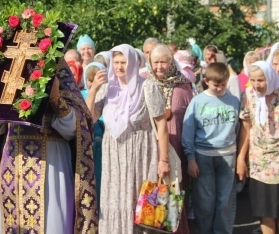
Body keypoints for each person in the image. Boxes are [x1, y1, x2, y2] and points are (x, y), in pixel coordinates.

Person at [0, 59, 99, 234]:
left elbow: (76, 129)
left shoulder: (57, 66)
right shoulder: (6, 63)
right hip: (12, 162)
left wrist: (55, 98)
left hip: (52, 164)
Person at [86, 44, 169, 233]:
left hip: (141, 155)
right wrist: (93, 90)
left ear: (133, 62)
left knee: (141, 205)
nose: (119, 67)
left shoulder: (148, 87)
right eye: (116, 62)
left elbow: (162, 124)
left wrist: (163, 160)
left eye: (124, 62)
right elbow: (90, 117)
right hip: (113, 156)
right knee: (115, 201)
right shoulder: (107, 88)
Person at [182, 62, 240, 234]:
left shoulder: (234, 101)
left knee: (225, 201)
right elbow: (188, 131)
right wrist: (190, 158)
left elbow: (237, 128)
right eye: (216, 85)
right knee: (205, 201)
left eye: (223, 84)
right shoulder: (198, 102)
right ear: (207, 81)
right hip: (203, 155)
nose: (220, 88)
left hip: (228, 153)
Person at [148, 44, 193, 234]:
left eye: (163, 62)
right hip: (151, 150)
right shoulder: (146, 85)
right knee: (154, 201)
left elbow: (192, 122)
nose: (159, 66)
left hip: (176, 151)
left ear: (171, 63)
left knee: (174, 200)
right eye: (155, 62)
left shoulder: (183, 87)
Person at [237, 61, 279, 234]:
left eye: (260, 80)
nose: (256, 85)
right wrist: (241, 158)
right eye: (253, 80)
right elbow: (246, 128)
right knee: (265, 212)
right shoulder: (248, 95)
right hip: (259, 163)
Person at [82, 62, 107, 213]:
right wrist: (93, 90)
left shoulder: (109, 92)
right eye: (90, 79)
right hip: (90, 147)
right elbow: (87, 118)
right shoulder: (82, 95)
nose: (93, 82)